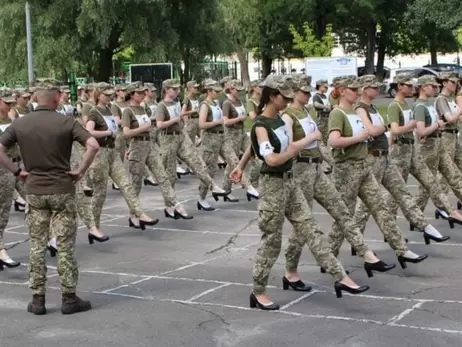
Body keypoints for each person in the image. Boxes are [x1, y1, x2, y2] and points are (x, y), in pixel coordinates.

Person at [231, 75, 369, 310]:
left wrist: (240, 165)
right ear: (272, 96)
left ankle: (341, 277)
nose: (287, 100)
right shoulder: (261, 125)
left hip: (290, 182)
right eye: (283, 97)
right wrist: (298, 146)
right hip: (272, 186)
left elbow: (253, 147)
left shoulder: (277, 121)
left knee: (311, 229)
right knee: (271, 243)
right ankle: (259, 291)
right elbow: (271, 158)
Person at [0, 79, 99, 315]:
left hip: (34, 189)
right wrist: (80, 171)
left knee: (36, 244)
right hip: (62, 189)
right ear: (56, 99)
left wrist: (17, 171)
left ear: (36, 98)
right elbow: (93, 145)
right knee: (64, 246)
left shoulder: (21, 123)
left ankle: (38, 299)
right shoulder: (66, 121)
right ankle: (68, 297)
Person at [326, 75, 427, 270]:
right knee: (343, 216)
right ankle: (330, 257)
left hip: (363, 165)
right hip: (346, 169)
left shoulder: (355, 112)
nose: (356, 93)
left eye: (357, 90)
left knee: (381, 208)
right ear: (342, 90)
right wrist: (359, 137)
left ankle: (401, 249)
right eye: (353, 90)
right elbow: (333, 141)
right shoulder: (337, 113)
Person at [352, 75, 449, 247]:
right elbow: (373, 131)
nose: (378, 90)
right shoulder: (360, 108)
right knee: (367, 204)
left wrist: (389, 145)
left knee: (402, 192)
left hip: (385, 156)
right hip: (372, 157)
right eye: (374, 88)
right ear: (365, 89)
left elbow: (382, 133)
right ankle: (356, 239)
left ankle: (423, 226)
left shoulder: (372, 107)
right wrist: (389, 127)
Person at [0, 87, 21, 269]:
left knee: (34, 199)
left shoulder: (11, 118)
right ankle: (0, 249)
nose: (9, 106)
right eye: (6, 103)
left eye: (11, 103)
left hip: (16, 164)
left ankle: (50, 239)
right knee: (2, 211)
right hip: (3, 168)